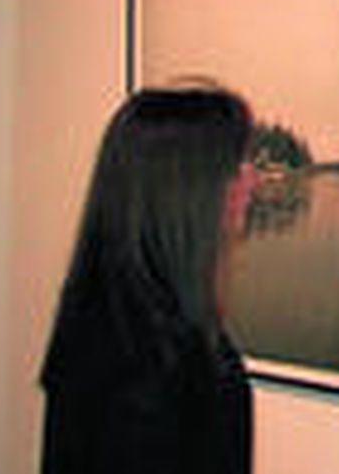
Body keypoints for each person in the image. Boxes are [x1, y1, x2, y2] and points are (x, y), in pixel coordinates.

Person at [39, 87, 258, 474]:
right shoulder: (175, 367)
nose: (252, 180)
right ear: (186, 189)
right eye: (235, 165)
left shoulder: (95, 323)